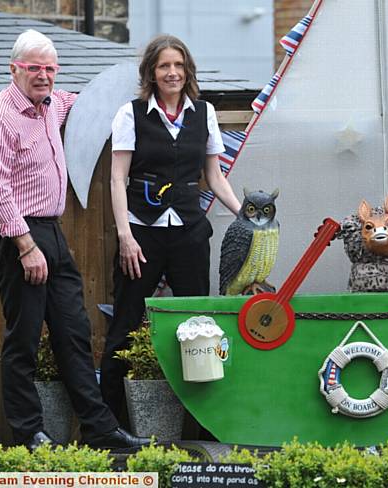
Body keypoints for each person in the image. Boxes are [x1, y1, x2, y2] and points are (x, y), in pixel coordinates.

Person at [0, 29, 151, 451]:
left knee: (74, 331)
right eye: (34, 68)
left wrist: (147, 81)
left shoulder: (52, 104)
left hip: (52, 232)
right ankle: (28, 432)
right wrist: (25, 246)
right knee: (25, 337)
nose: (44, 76)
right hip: (18, 236)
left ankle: (100, 430)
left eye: (50, 68)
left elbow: (91, 103)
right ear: (14, 68)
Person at [101, 34, 241, 420]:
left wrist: (245, 213)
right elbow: (117, 179)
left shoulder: (204, 113)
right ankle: (109, 424)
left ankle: (205, 422)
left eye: (178, 65)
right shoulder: (130, 114)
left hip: (188, 231)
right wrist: (125, 237)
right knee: (126, 322)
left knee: (200, 325)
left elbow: (214, 177)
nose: (172, 72)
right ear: (152, 72)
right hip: (141, 233)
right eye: (164, 66)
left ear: (187, 70)